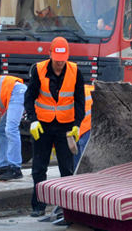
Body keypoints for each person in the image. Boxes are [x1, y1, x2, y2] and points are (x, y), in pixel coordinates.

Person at [24, 36, 85, 217]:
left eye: (62, 60)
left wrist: (77, 124)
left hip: (65, 127)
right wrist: (32, 119)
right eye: (56, 60)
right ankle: (38, 206)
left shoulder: (75, 71)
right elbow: (29, 97)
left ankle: (67, 208)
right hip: (42, 125)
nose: (59, 63)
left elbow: (79, 100)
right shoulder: (39, 70)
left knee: (66, 168)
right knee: (39, 167)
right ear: (50, 54)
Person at [74, 84, 94, 170]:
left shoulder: (72, 93)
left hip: (85, 127)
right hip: (88, 126)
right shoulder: (87, 89)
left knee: (81, 156)